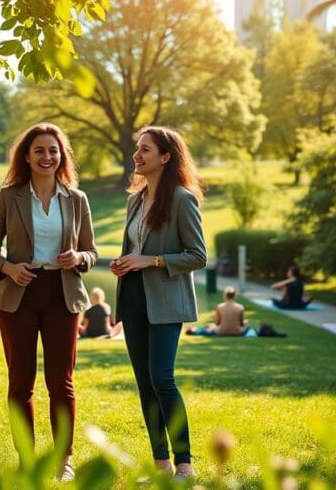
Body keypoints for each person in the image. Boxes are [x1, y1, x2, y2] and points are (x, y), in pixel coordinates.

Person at [0, 122, 98, 482]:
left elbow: (92, 252)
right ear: (27, 158)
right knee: (21, 383)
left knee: (61, 382)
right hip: (19, 296)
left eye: (53, 150)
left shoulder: (77, 199)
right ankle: (27, 460)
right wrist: (8, 268)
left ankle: (64, 460)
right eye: (39, 151)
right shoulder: (8, 196)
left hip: (62, 295)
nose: (47, 157)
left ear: (61, 156)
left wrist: (78, 258)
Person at [109, 126, 206, 481]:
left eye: (145, 149)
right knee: (144, 382)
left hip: (165, 298)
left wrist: (151, 261)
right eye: (137, 148)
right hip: (133, 295)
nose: (137, 155)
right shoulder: (134, 199)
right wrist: (123, 262)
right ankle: (161, 465)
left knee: (162, 377)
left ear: (165, 156)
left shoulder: (182, 199)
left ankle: (185, 464)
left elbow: (198, 256)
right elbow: (134, 250)